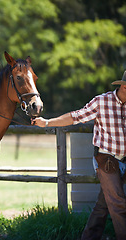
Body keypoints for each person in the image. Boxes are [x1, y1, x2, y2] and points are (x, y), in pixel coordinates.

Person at [32, 70, 126, 240]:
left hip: (124, 160)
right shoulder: (102, 101)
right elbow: (75, 117)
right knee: (119, 203)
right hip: (106, 159)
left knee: (103, 205)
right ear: (125, 87)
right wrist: (46, 122)